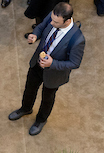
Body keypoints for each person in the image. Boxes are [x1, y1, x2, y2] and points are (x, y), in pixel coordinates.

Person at [8, 3, 84, 136]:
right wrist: (35, 35)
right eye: (52, 19)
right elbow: (41, 26)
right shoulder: (53, 16)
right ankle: (25, 108)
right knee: (29, 88)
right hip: (37, 64)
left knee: (47, 98)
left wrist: (52, 63)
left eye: (56, 22)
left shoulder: (77, 39)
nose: (52, 22)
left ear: (66, 21)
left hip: (54, 74)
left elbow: (74, 63)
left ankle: (40, 120)